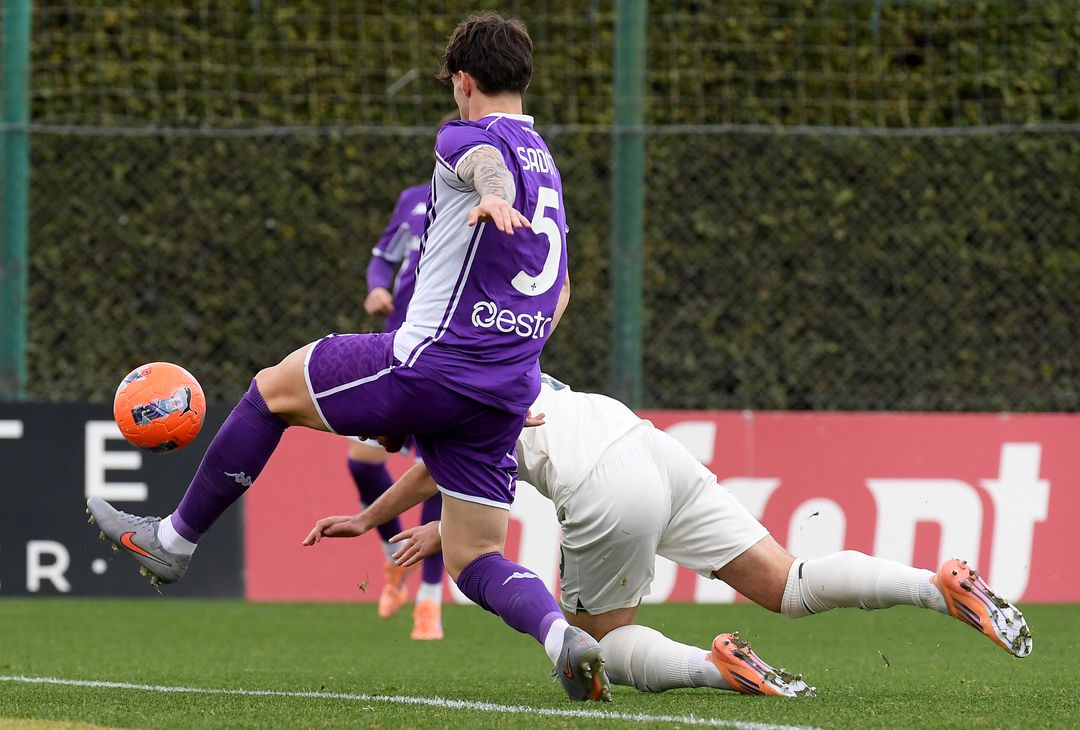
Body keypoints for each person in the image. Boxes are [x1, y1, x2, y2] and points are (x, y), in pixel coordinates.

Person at [86, 13, 609, 703]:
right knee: (475, 555)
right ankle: (561, 639)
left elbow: (485, 167)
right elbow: (562, 286)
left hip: (429, 362)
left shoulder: (466, 135)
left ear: (464, 82)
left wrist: (491, 195)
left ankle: (176, 541)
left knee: (272, 391)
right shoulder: (549, 166)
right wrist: (514, 359)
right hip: (507, 387)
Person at [305, 374, 1033, 698]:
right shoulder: (497, 357)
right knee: (790, 582)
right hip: (650, 445)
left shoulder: (438, 405)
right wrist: (415, 522)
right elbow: (449, 468)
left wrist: (376, 518)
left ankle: (717, 668)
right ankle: (935, 587)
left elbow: (440, 461)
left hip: (603, 486)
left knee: (600, 643)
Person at [350, 122, 454, 639]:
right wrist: (375, 288)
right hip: (395, 348)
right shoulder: (415, 200)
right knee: (363, 460)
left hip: (444, 356)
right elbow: (382, 257)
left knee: (435, 470)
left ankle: (430, 601)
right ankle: (397, 554)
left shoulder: (481, 205)